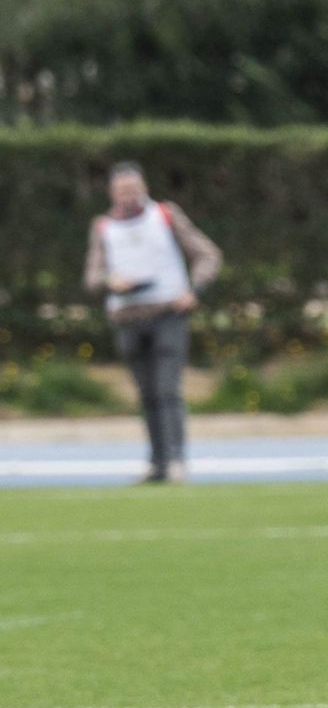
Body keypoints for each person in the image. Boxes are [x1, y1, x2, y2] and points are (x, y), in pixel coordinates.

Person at [83, 161, 222, 484]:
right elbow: (92, 277)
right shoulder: (103, 226)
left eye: (133, 189)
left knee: (166, 390)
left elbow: (207, 254)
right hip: (128, 318)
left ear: (144, 188)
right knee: (146, 394)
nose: (129, 196)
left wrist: (194, 289)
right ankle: (157, 462)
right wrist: (110, 281)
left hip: (167, 314)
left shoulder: (165, 215)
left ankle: (175, 460)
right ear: (112, 193)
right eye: (122, 191)